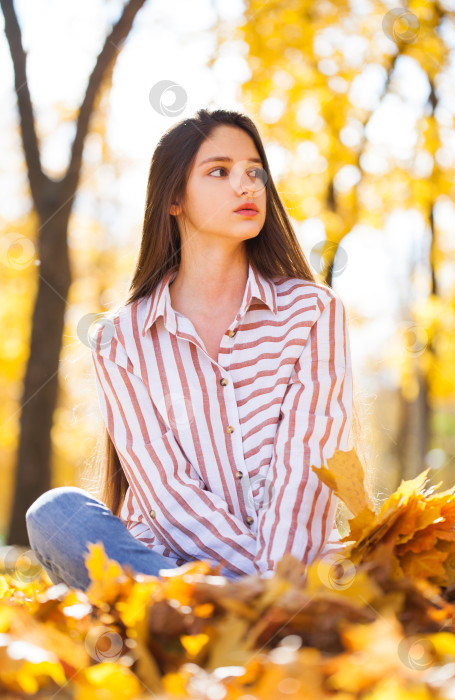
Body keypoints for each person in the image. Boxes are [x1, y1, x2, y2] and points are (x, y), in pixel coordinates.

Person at [25, 107, 357, 592]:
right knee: (56, 514)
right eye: (219, 172)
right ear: (174, 198)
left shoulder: (313, 311)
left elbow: (305, 470)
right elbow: (168, 496)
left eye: (254, 172)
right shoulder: (120, 339)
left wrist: (277, 582)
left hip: (295, 570)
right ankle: (228, 612)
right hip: (176, 575)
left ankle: (228, 619)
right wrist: (249, 591)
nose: (246, 186)